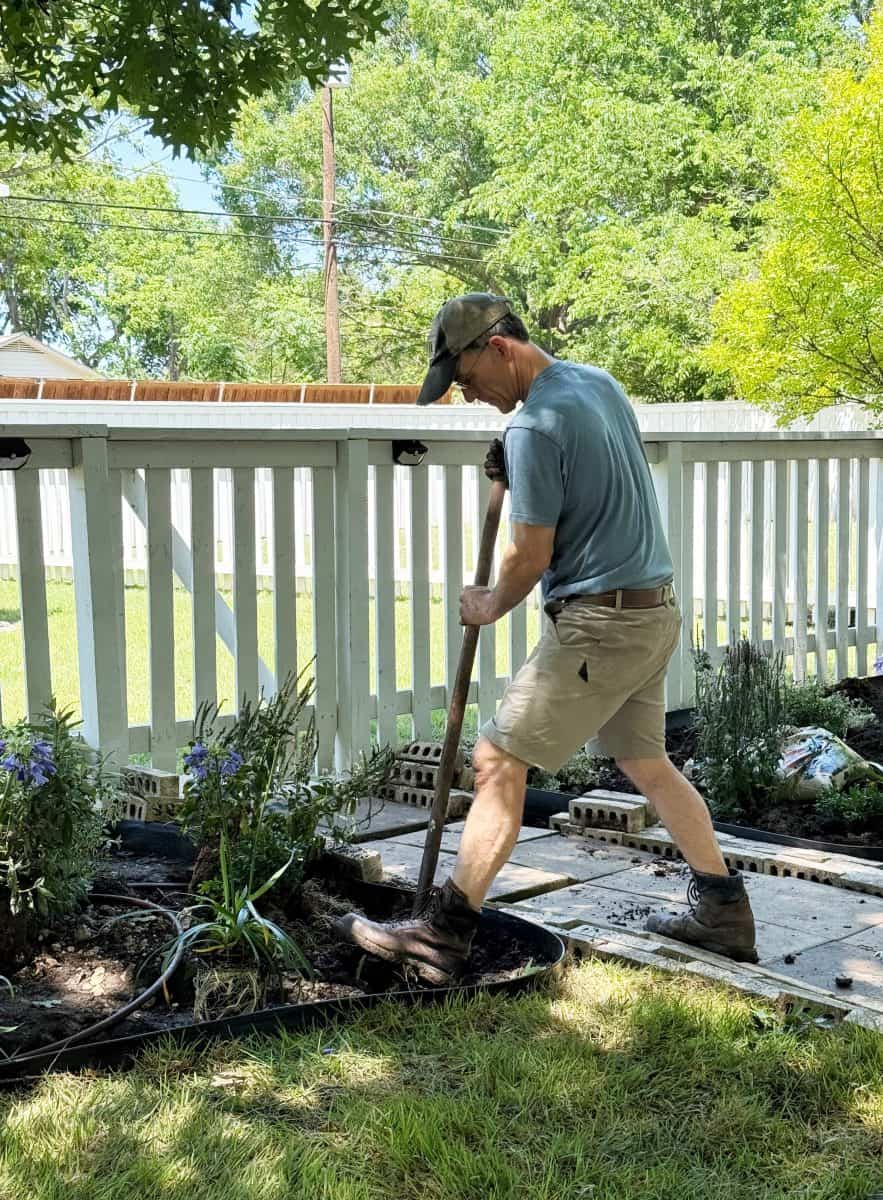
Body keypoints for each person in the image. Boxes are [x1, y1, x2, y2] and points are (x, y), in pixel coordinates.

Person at [336, 293, 758, 984]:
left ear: (498, 347)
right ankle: (723, 912)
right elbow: (586, 473)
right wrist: (514, 462)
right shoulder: (595, 383)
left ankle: (441, 937)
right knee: (646, 762)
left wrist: (488, 605)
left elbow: (530, 556)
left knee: (497, 761)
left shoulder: (533, 428)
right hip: (650, 610)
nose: (469, 395)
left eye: (467, 378)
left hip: (599, 623)